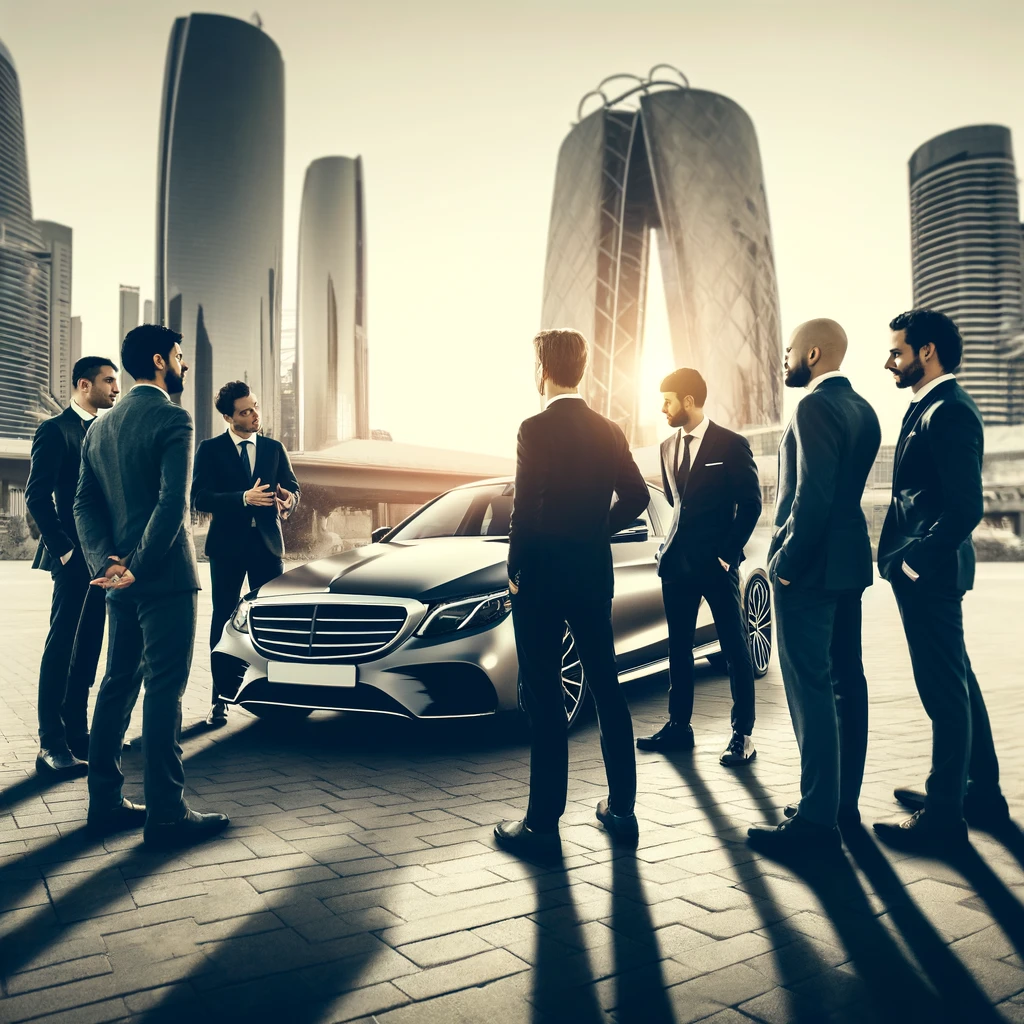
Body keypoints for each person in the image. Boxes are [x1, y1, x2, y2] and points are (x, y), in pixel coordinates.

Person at [494, 328, 650, 860]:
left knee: (545, 696)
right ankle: (622, 811)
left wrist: (514, 573)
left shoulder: (534, 428)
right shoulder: (609, 429)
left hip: (541, 581)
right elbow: (637, 495)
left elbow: (525, 511)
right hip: (591, 577)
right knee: (607, 687)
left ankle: (542, 826)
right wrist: (595, 531)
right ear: (581, 369)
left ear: (543, 371)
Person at [74, 324, 229, 846]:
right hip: (164, 578)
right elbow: (172, 503)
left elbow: (83, 503)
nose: (184, 364)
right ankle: (166, 814)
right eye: (180, 356)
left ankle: (104, 804)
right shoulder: (172, 417)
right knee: (164, 689)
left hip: (119, 579)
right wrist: (138, 564)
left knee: (117, 684)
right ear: (161, 361)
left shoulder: (99, 427)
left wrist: (108, 563)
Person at [873, 309, 1009, 852]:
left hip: (929, 575)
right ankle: (981, 795)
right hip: (928, 573)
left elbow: (965, 507)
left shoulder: (949, 410)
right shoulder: (930, 405)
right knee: (958, 683)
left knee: (943, 692)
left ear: (926, 352)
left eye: (897, 351)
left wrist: (912, 563)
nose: (890, 362)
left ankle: (944, 816)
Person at [747, 319, 880, 856]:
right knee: (848, 679)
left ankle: (816, 823)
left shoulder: (812, 407)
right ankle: (839, 804)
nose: (785, 359)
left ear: (815, 353)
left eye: (790, 350)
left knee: (810, 687)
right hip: (849, 563)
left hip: (809, 569)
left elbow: (813, 496)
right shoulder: (865, 409)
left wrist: (784, 562)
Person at [636, 368, 762, 766]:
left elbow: (751, 505)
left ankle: (742, 735)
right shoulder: (666, 447)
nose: (663, 409)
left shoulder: (731, 444)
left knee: (734, 647)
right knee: (678, 648)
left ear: (688, 401)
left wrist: (726, 555)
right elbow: (678, 504)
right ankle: (679, 727)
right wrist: (666, 550)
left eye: (668, 401)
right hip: (677, 565)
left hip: (717, 566)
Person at [25, 357, 120, 773]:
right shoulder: (55, 429)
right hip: (70, 557)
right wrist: (64, 550)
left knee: (89, 647)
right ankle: (51, 743)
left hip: (102, 558)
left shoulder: (106, 431)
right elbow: (36, 496)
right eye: (108, 380)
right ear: (84, 384)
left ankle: (78, 733)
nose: (116, 388)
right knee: (62, 647)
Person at [191, 381, 299, 727]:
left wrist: (289, 500)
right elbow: (199, 498)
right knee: (224, 619)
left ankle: (277, 694)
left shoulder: (274, 448)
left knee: (274, 622)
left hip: (267, 546)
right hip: (227, 547)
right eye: (246, 411)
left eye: (255, 407)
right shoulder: (210, 449)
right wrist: (242, 498)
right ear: (228, 417)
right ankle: (219, 699)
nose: (255, 415)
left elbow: (293, 489)